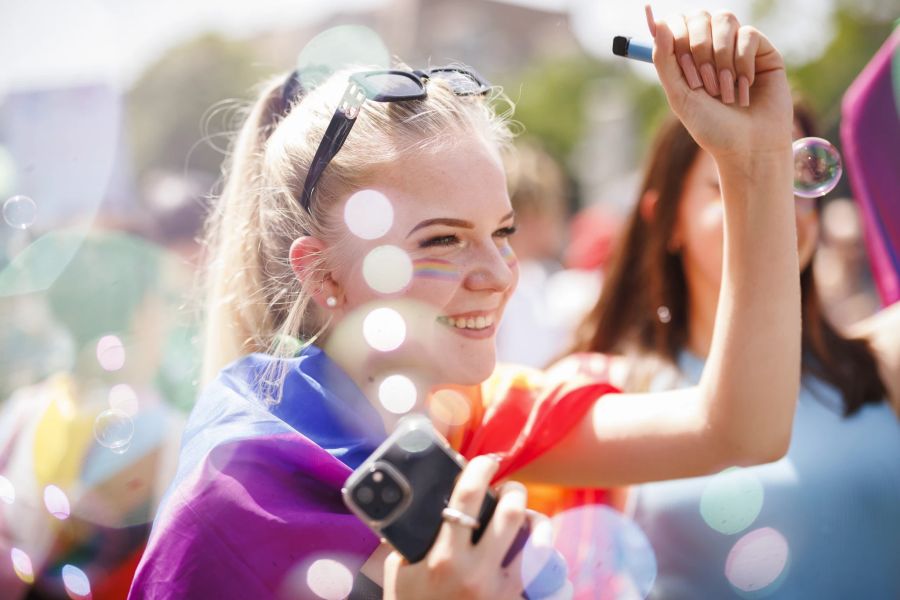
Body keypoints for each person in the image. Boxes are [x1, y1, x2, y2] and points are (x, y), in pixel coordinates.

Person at [130, 7, 803, 598]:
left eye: (502, 232)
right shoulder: (226, 502)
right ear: (324, 275)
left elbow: (741, 431)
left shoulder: (460, 419)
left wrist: (756, 161)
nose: (498, 274)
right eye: (444, 240)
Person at [564, 103, 900, 598]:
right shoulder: (606, 392)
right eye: (739, 176)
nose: (776, 204)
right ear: (667, 220)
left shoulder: (883, 361)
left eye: (795, 179)